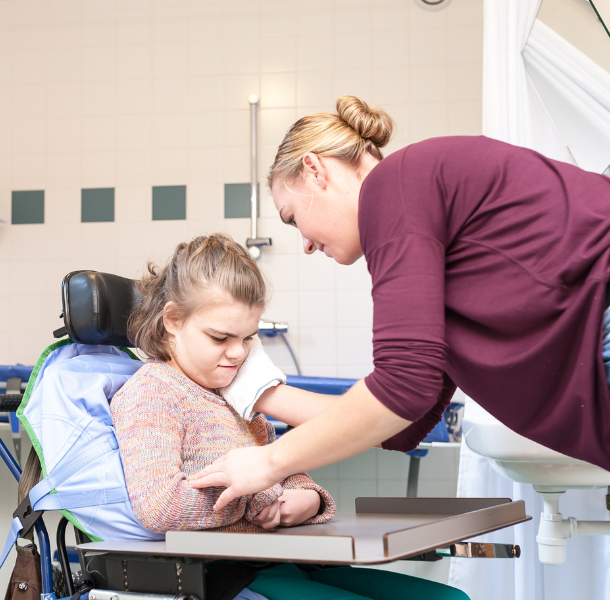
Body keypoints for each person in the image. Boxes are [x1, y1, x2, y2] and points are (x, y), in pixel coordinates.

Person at [191, 98, 610, 599]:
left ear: (315, 169)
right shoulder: (429, 229)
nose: (304, 243)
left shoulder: (395, 185)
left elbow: (401, 387)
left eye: (292, 218)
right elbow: (400, 420)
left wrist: (267, 462)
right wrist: (259, 391)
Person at [112, 233, 471, 600]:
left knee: (451, 598)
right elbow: (160, 508)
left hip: (284, 560)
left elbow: (290, 472)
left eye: (248, 337)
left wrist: (307, 500)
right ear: (172, 320)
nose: (237, 353)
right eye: (220, 338)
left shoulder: (237, 395)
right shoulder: (152, 393)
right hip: (223, 575)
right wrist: (256, 498)